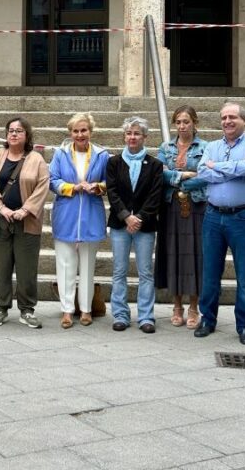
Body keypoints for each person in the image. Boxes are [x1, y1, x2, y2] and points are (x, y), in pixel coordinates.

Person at [194, 102, 245, 345]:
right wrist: (233, 169)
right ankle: (208, 319)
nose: (227, 121)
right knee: (211, 272)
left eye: (232, 117)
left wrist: (219, 167)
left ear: (244, 120)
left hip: (243, 217)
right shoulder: (212, 146)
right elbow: (203, 172)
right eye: (224, 117)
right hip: (213, 216)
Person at [0, 117, 50, 329]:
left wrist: (24, 210)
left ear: (26, 135)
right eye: (10, 130)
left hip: (27, 222)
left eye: (19, 131)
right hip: (0, 221)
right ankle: (1, 307)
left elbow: (42, 186)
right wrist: (1, 208)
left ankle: (27, 309)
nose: (14, 134)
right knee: (1, 266)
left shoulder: (36, 159)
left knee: (27, 268)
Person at [49, 112, 109, 329]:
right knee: (65, 264)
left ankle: (86, 309)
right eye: (75, 131)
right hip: (66, 212)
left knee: (87, 265)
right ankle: (67, 310)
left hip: (91, 214)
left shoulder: (102, 155)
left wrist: (97, 187)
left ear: (91, 131)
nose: (80, 134)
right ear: (70, 133)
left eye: (84, 130)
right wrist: (72, 188)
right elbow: (52, 180)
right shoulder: (60, 154)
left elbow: (109, 182)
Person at [106, 116, 165, 333]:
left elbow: (155, 195)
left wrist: (138, 217)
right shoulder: (113, 162)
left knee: (145, 272)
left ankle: (146, 316)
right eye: (129, 133)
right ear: (124, 136)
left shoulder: (155, 165)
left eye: (137, 133)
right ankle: (120, 314)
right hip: (120, 225)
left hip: (145, 225)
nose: (132, 137)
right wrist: (125, 216)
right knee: (119, 270)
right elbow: (111, 192)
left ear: (145, 137)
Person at [158, 105, 208, 329]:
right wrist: (182, 175)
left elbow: (206, 176)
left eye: (186, 121)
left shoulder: (206, 147)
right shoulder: (166, 147)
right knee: (174, 254)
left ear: (194, 123)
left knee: (196, 255)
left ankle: (194, 307)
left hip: (197, 205)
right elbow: (159, 173)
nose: (182, 126)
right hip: (171, 206)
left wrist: (177, 178)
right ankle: (176, 305)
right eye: (178, 122)